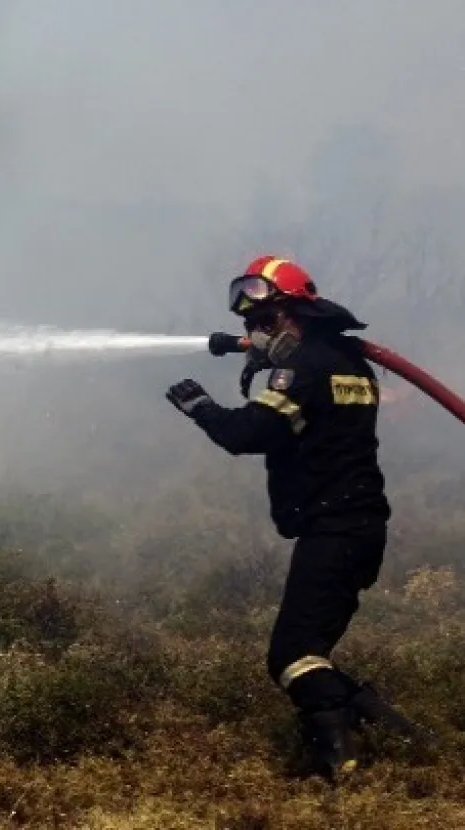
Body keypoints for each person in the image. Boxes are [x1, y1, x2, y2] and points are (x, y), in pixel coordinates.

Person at [164, 255, 420, 780]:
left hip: (336, 529)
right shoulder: (345, 362)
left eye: (266, 321)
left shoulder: (302, 368)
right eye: (250, 326)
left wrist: (201, 407)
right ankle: (409, 739)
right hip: (356, 528)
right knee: (309, 651)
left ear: (297, 313)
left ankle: (339, 762)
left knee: (291, 654)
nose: (256, 333)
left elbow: (249, 435)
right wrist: (261, 361)